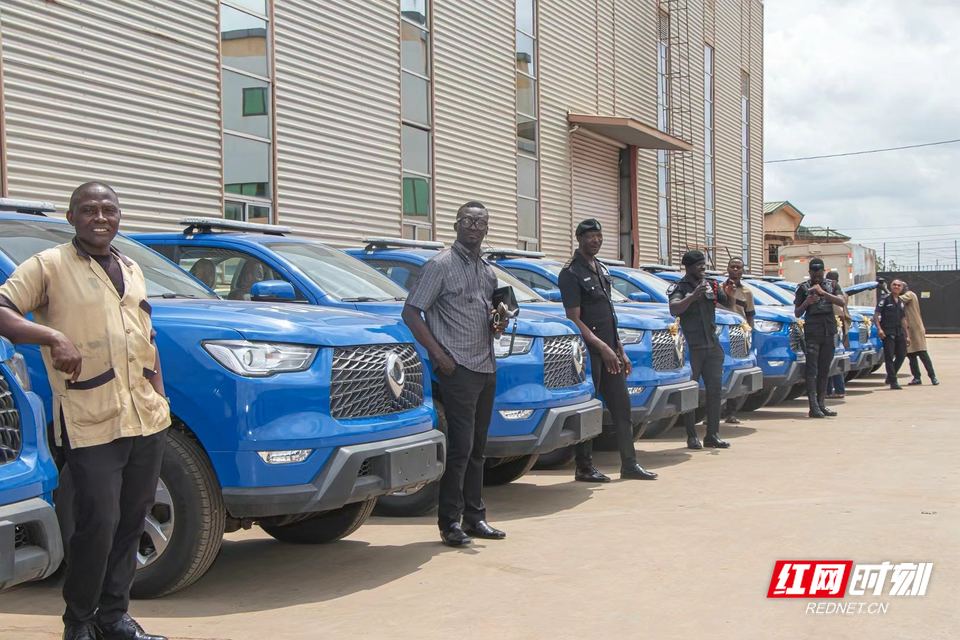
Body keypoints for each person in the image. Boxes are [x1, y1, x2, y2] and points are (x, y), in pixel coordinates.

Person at [0, 183, 169, 640]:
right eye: (89, 209)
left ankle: (114, 618)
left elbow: (146, 336)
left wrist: (161, 397)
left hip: (145, 418)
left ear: (119, 217)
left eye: (108, 209)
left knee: (131, 522)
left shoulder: (131, 267)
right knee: (98, 524)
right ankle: (79, 621)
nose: (100, 217)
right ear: (71, 217)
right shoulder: (49, 266)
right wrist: (53, 337)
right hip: (89, 419)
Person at [402, 201, 507, 547]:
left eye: (481, 222)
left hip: (486, 366)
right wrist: (438, 355)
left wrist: (498, 322)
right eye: (468, 221)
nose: (474, 227)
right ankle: (450, 523)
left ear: (487, 229)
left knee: (478, 448)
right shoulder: (440, 265)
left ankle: (475, 517)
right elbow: (411, 312)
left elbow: (487, 315)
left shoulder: (487, 271)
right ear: (456, 225)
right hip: (457, 367)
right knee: (461, 448)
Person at [557, 219, 658, 482]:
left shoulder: (601, 268)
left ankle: (629, 464)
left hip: (610, 351)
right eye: (591, 236)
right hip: (590, 353)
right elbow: (574, 319)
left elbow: (609, 316)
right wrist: (602, 348)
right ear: (579, 238)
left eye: (599, 236)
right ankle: (584, 467)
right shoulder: (570, 273)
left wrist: (619, 349)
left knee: (622, 408)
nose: (596, 240)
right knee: (589, 410)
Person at [669, 250, 734, 449]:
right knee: (691, 392)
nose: (703, 268)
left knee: (715, 391)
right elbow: (674, 308)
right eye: (699, 265)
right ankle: (691, 436)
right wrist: (692, 296)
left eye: (704, 264)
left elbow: (727, 303)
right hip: (692, 348)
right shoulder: (680, 287)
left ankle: (712, 435)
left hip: (712, 345)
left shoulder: (711, 284)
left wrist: (729, 292)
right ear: (688, 267)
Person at [794, 258, 845, 418]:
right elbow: (797, 312)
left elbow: (842, 302)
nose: (816, 275)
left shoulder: (832, 285)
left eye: (819, 272)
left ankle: (821, 403)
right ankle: (813, 406)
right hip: (812, 332)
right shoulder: (803, 288)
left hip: (828, 330)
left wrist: (824, 293)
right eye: (813, 272)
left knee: (825, 369)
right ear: (809, 272)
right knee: (812, 370)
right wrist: (807, 302)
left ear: (824, 271)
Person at [718, 256, 755, 424]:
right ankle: (714, 412)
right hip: (721, 335)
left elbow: (750, 316)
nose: (735, 269)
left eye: (738, 267)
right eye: (732, 266)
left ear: (742, 270)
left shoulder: (747, 293)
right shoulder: (720, 289)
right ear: (727, 269)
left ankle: (731, 412)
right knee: (719, 372)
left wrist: (750, 334)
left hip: (739, 335)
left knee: (736, 370)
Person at [900, 282, 938, 385]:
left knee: (923, 353)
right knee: (911, 355)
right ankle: (917, 377)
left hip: (915, 328)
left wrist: (888, 292)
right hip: (907, 330)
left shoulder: (910, 294)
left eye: (900, 286)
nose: (897, 288)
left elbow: (899, 300)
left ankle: (933, 377)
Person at [876, 279, 910, 390]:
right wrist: (879, 329)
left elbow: (903, 319)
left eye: (899, 285)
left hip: (899, 332)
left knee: (902, 355)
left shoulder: (900, 301)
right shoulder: (885, 299)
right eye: (894, 285)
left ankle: (891, 376)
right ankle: (893, 382)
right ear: (891, 286)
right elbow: (876, 315)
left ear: (901, 288)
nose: (896, 287)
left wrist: (907, 335)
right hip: (887, 332)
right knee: (889, 357)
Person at [825, 271, 849, 399]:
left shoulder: (835, 296)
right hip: (838, 331)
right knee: (833, 361)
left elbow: (840, 314)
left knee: (831, 361)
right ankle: (832, 390)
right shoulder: (840, 294)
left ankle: (833, 390)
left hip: (834, 331)